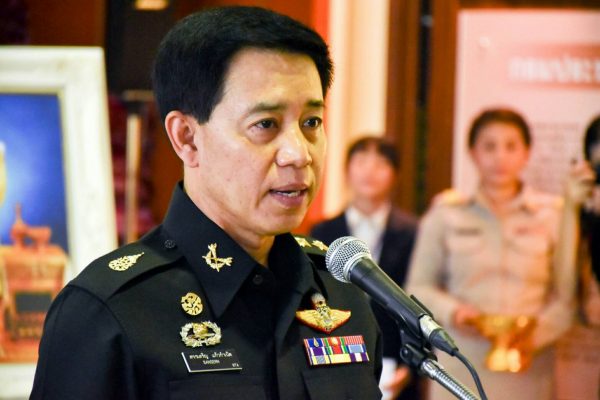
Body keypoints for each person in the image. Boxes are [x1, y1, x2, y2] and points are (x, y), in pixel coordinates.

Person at [30, 6, 383, 399]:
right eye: (265, 125)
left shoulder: (342, 293)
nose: (299, 154)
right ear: (187, 138)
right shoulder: (107, 313)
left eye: (311, 123)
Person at [405, 108, 593, 400]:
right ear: (473, 153)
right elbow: (417, 287)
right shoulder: (446, 213)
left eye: (511, 146)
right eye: (489, 146)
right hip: (460, 365)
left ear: (526, 153)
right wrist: (454, 312)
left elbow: (568, 297)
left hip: (529, 369)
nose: (500, 157)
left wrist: (533, 336)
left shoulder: (553, 215)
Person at [310, 136, 421, 400]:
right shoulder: (322, 232)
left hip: (396, 359)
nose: (370, 171)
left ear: (395, 175)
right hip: (337, 357)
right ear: (347, 171)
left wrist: (412, 364)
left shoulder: (413, 232)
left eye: (380, 164)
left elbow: (418, 297)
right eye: (361, 162)